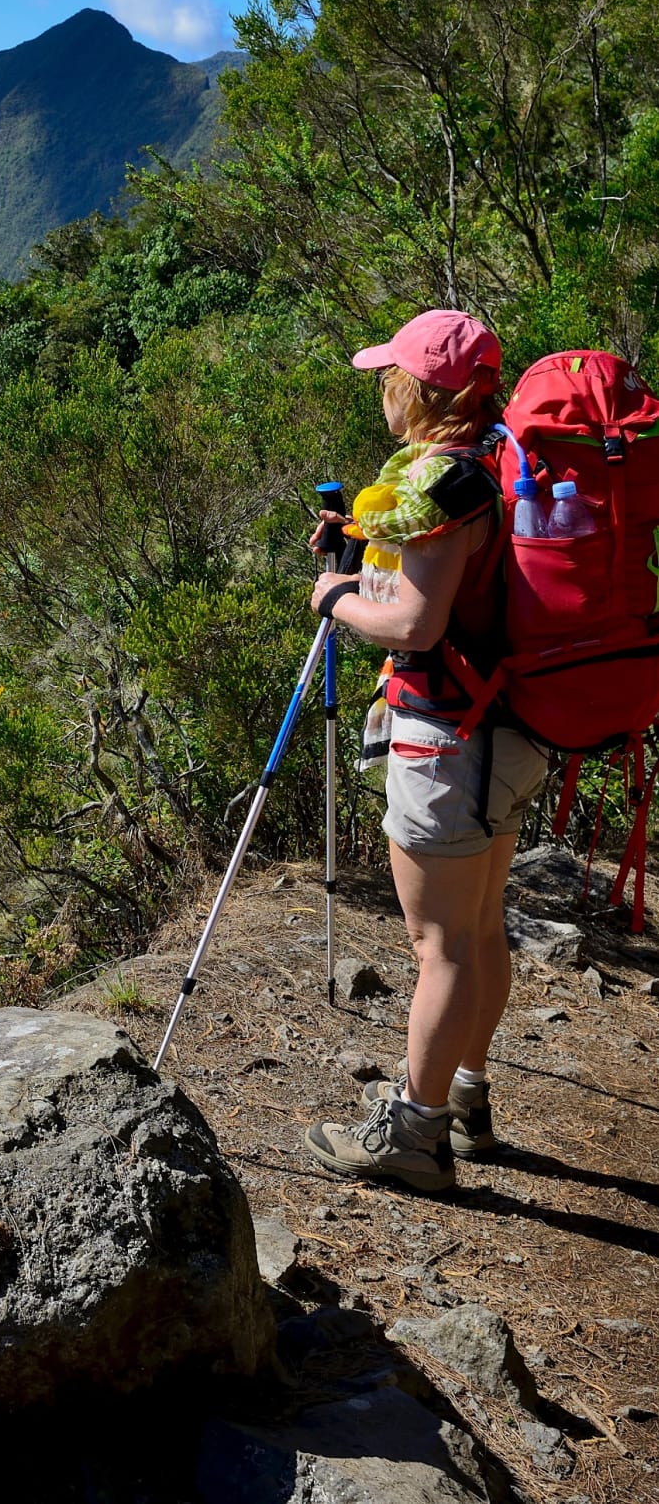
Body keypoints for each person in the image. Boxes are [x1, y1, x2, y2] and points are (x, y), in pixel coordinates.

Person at [302, 309, 548, 1195]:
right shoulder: (498, 456)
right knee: (478, 927)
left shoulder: (443, 482)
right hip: (511, 731)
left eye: (390, 374)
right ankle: (468, 1102)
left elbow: (414, 621)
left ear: (420, 390)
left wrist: (333, 597)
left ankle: (414, 1132)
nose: (381, 387)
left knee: (438, 942)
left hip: (450, 735)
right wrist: (362, 546)